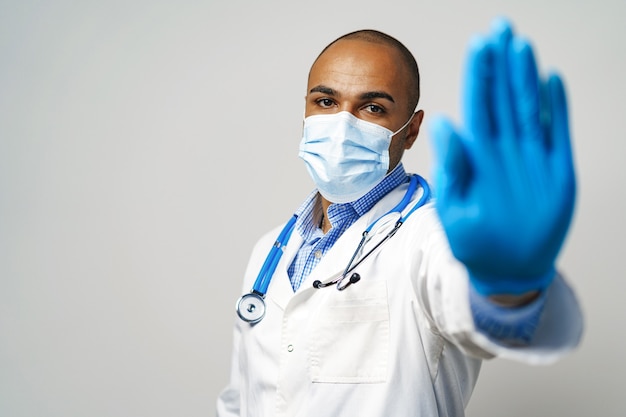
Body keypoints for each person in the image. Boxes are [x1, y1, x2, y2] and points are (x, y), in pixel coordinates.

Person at [217, 18, 583, 417]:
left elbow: (477, 312)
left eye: (372, 107)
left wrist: (509, 284)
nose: (342, 123)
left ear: (411, 131)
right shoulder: (268, 251)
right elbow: (240, 399)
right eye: (325, 102)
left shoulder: (433, 239)